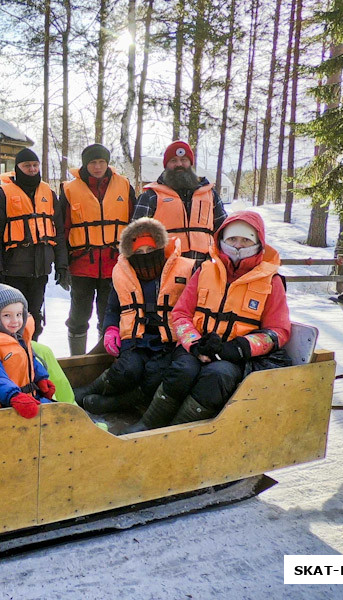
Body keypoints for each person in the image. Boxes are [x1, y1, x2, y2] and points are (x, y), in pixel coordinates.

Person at [123, 211, 291, 433]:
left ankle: (178, 433)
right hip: (197, 344)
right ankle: (149, 424)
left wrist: (239, 348)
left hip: (236, 355)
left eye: (246, 239)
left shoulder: (272, 281)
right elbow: (181, 313)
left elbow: (278, 331)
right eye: (232, 239)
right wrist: (194, 343)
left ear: (258, 243)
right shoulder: (205, 270)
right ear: (222, 240)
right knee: (183, 370)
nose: (238, 245)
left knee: (217, 376)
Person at [73, 218, 195, 414]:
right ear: (131, 253)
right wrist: (111, 330)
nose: (145, 255)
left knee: (155, 375)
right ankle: (90, 390)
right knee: (127, 370)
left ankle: (116, 403)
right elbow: (113, 308)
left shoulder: (186, 269)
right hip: (137, 339)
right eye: (139, 252)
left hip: (171, 342)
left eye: (150, 250)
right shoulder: (122, 273)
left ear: (161, 247)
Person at [61, 143, 135, 355]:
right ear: (85, 164)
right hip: (81, 265)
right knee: (78, 316)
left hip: (114, 265)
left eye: (101, 161)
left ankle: (103, 359)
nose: (97, 166)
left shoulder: (124, 186)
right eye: (93, 162)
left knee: (108, 316)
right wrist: (63, 264)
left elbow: (134, 224)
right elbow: (63, 228)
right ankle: (77, 360)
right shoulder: (69, 189)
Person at [0, 148, 68, 340]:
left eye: (35, 165)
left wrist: (62, 264)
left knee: (35, 316)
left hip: (40, 269)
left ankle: (32, 353)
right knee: (12, 318)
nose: (32, 169)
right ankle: (13, 356)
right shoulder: (3, 195)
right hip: (13, 270)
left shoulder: (48, 193)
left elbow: (58, 232)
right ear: (17, 168)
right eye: (27, 166)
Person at [0, 284, 56, 418]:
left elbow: (29, 359)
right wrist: (14, 396)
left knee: (63, 414)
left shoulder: (16, 336)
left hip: (28, 398)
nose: (15, 321)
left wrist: (41, 378)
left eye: (19, 315)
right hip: (6, 405)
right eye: (7, 315)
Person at [133, 140, 227, 262]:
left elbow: (223, 230)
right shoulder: (151, 196)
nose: (179, 164)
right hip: (166, 267)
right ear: (166, 165)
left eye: (184, 160)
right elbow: (135, 235)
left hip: (203, 266)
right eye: (173, 160)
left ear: (190, 163)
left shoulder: (210, 195)